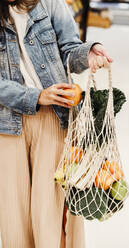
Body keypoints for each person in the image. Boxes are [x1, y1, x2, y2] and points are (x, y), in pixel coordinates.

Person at [0, 0, 112, 247]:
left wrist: (88, 53)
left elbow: (69, 50)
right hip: (6, 125)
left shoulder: (49, 2)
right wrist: (36, 96)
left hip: (54, 117)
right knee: (13, 221)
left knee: (50, 216)